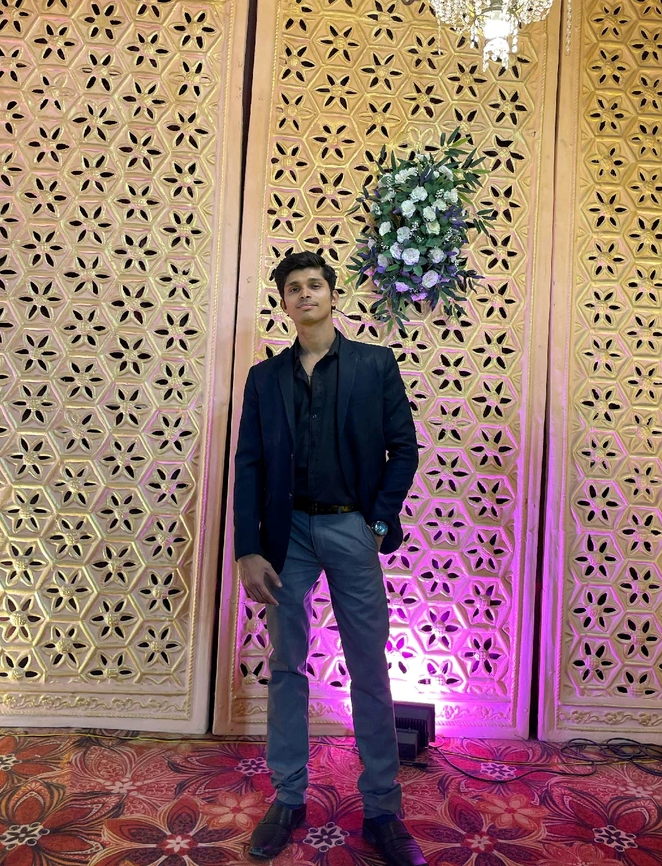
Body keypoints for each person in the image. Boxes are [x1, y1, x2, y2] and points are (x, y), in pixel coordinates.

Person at [233, 251, 425, 866]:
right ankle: (288, 798)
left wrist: (377, 523)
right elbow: (249, 464)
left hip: (351, 528)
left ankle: (383, 810)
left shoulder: (374, 364)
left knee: (369, 667)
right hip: (286, 534)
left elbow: (403, 449)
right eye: (294, 288)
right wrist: (248, 548)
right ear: (284, 303)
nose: (305, 294)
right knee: (288, 664)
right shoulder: (264, 379)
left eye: (315, 284)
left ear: (332, 295)